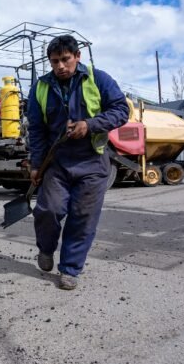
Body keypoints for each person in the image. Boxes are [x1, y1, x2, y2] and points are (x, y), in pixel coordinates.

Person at [27, 35, 129, 290]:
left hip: (92, 161)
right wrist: (36, 165)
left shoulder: (99, 79)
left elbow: (121, 110)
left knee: (82, 217)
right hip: (58, 163)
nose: (60, 66)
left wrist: (90, 125)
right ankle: (46, 248)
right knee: (48, 210)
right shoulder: (40, 87)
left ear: (77, 56)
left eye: (65, 59)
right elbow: (37, 130)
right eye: (54, 62)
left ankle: (70, 268)